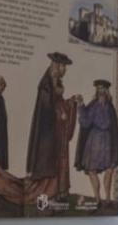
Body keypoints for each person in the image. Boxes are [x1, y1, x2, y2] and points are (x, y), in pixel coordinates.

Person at [26, 52, 79, 201]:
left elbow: (59, 103)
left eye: (65, 66)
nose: (64, 70)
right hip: (47, 133)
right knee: (49, 161)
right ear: (56, 66)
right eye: (63, 66)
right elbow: (47, 108)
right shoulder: (45, 85)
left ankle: (59, 191)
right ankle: (48, 193)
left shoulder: (56, 82)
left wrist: (71, 102)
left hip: (56, 131)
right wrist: (58, 114)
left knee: (59, 158)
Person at [75, 79, 118, 206]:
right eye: (98, 89)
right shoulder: (93, 105)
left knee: (110, 169)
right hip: (94, 141)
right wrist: (81, 105)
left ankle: (107, 198)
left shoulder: (110, 108)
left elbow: (110, 125)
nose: (100, 92)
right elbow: (85, 122)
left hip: (106, 141)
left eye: (102, 89)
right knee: (91, 170)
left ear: (106, 91)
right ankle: (97, 198)